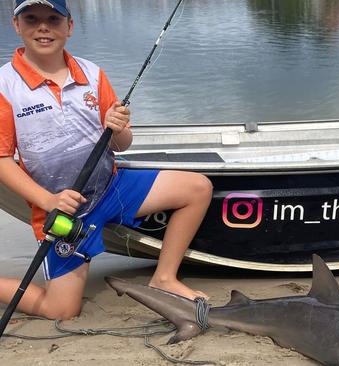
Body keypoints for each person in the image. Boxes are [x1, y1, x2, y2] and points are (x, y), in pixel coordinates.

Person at [0, 0, 213, 320]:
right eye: (31, 18)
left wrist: (119, 128)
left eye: (53, 19)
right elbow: (2, 158)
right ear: (16, 25)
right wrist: (48, 199)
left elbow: (123, 144)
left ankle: (165, 277)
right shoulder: (5, 85)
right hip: (63, 211)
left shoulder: (92, 74)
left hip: (112, 187)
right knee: (62, 310)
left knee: (197, 187)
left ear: (69, 26)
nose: (43, 27)